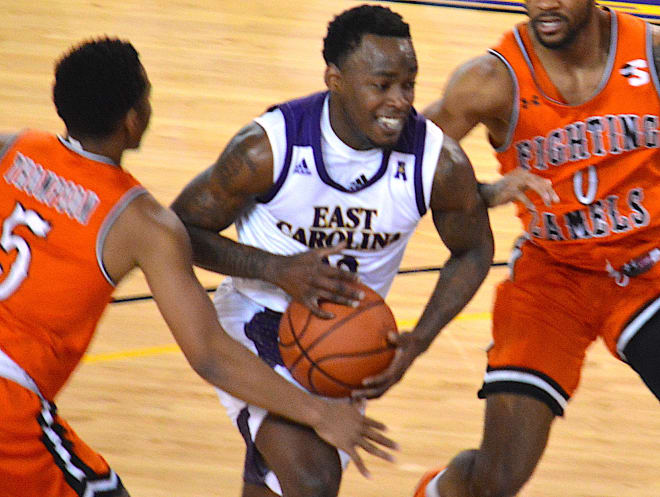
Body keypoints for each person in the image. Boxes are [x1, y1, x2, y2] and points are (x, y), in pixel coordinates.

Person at [0, 37, 401, 497]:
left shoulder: (11, 149)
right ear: (134, 120)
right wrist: (320, 414)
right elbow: (210, 354)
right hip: (10, 406)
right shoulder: (143, 223)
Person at [170, 4, 494, 497]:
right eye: (381, 85)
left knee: (281, 480)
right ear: (335, 79)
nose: (400, 101)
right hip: (260, 319)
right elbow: (179, 230)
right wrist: (275, 269)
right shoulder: (269, 149)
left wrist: (421, 339)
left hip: (345, 337)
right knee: (313, 479)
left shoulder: (438, 163)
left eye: (409, 84)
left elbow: (474, 251)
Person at [414, 0, 660, 495]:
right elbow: (402, 168)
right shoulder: (489, 81)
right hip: (552, 279)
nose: (544, 3)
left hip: (648, 270)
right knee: (497, 478)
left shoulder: (651, 52)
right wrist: (483, 192)